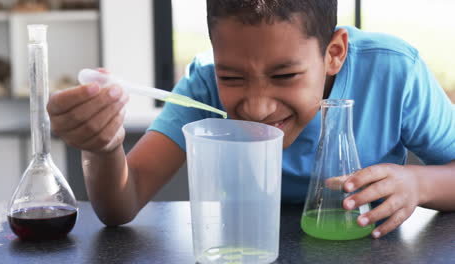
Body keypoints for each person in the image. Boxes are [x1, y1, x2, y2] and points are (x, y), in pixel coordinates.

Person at [47, 0, 455, 239]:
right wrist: (102, 147)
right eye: (233, 77)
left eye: (284, 76)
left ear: (334, 53)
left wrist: (419, 184)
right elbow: (123, 201)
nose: (258, 107)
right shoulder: (204, 83)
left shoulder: (395, 72)